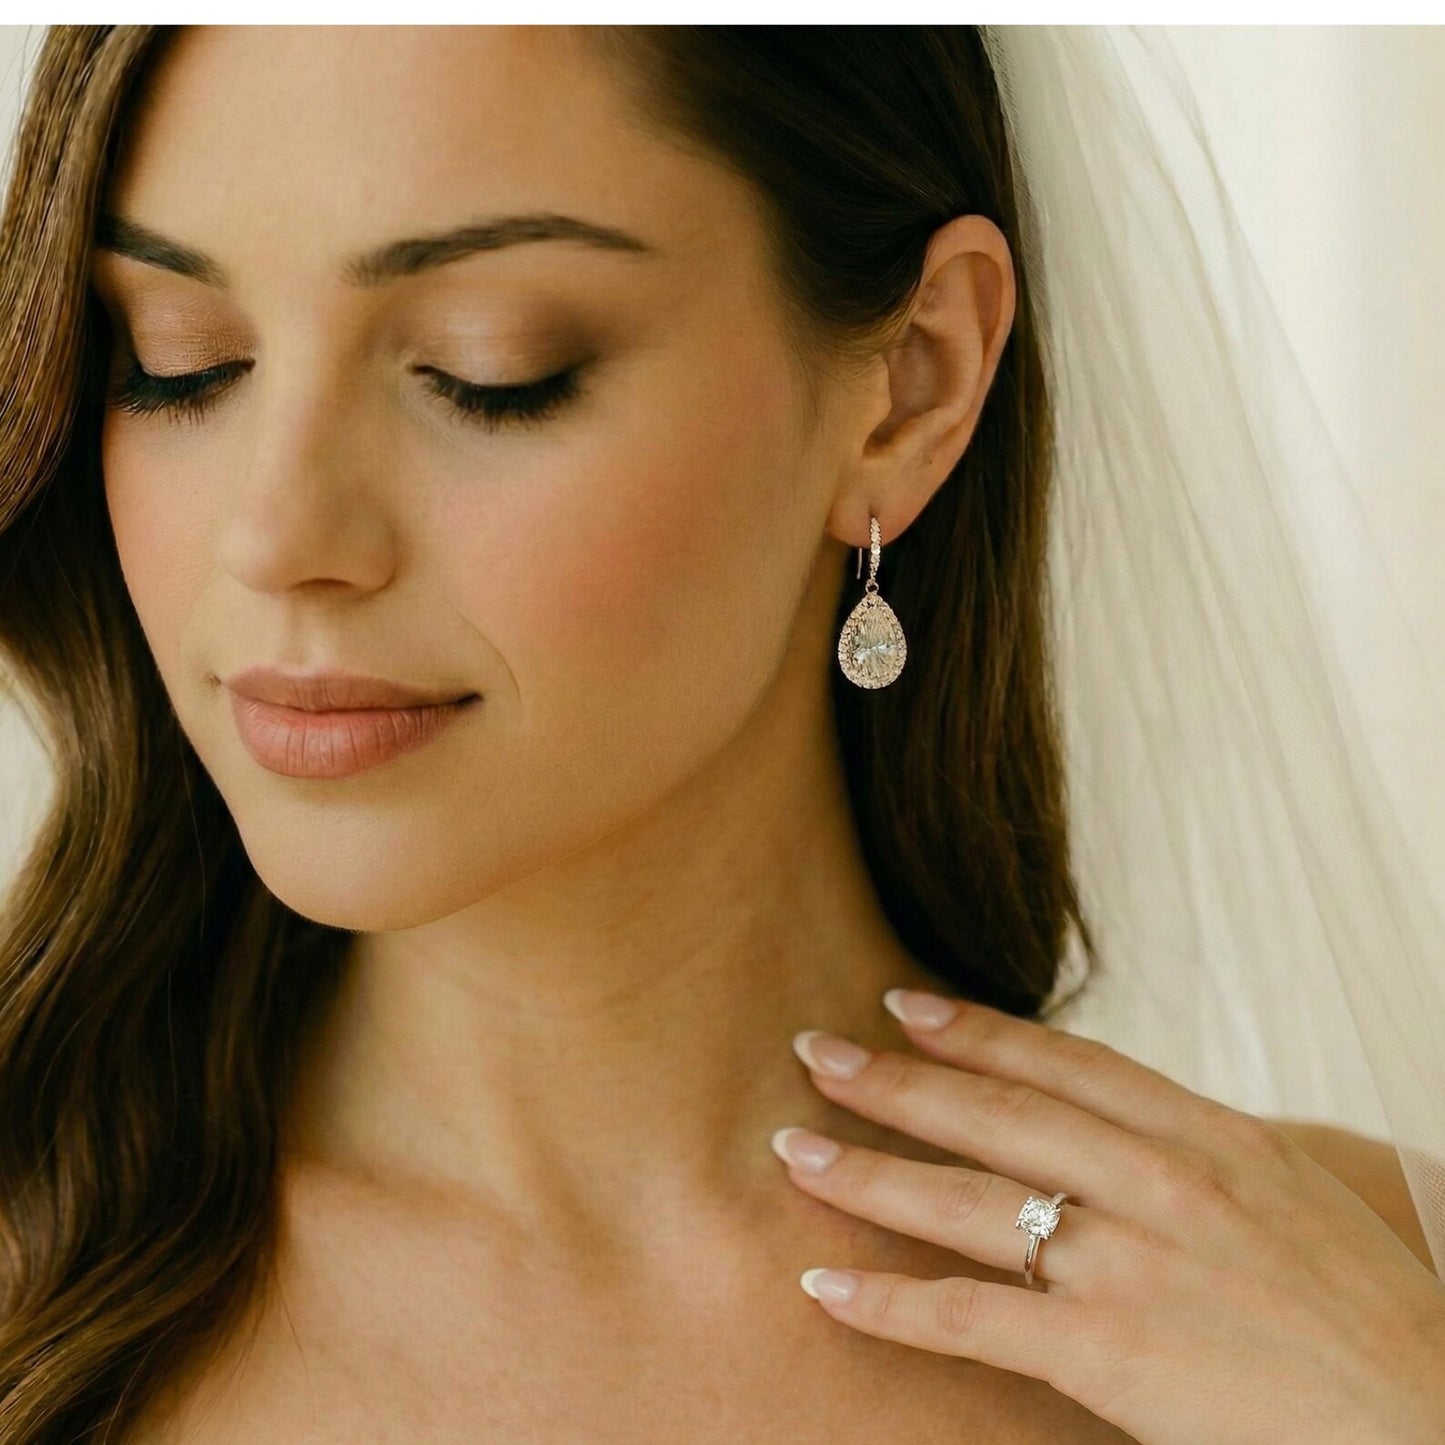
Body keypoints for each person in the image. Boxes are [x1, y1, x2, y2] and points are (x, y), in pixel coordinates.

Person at [0, 25, 1441, 1444]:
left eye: (489, 368)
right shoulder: (34, 1291)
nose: (274, 536)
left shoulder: (1366, 1313)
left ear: (912, 383)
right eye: (178, 361)